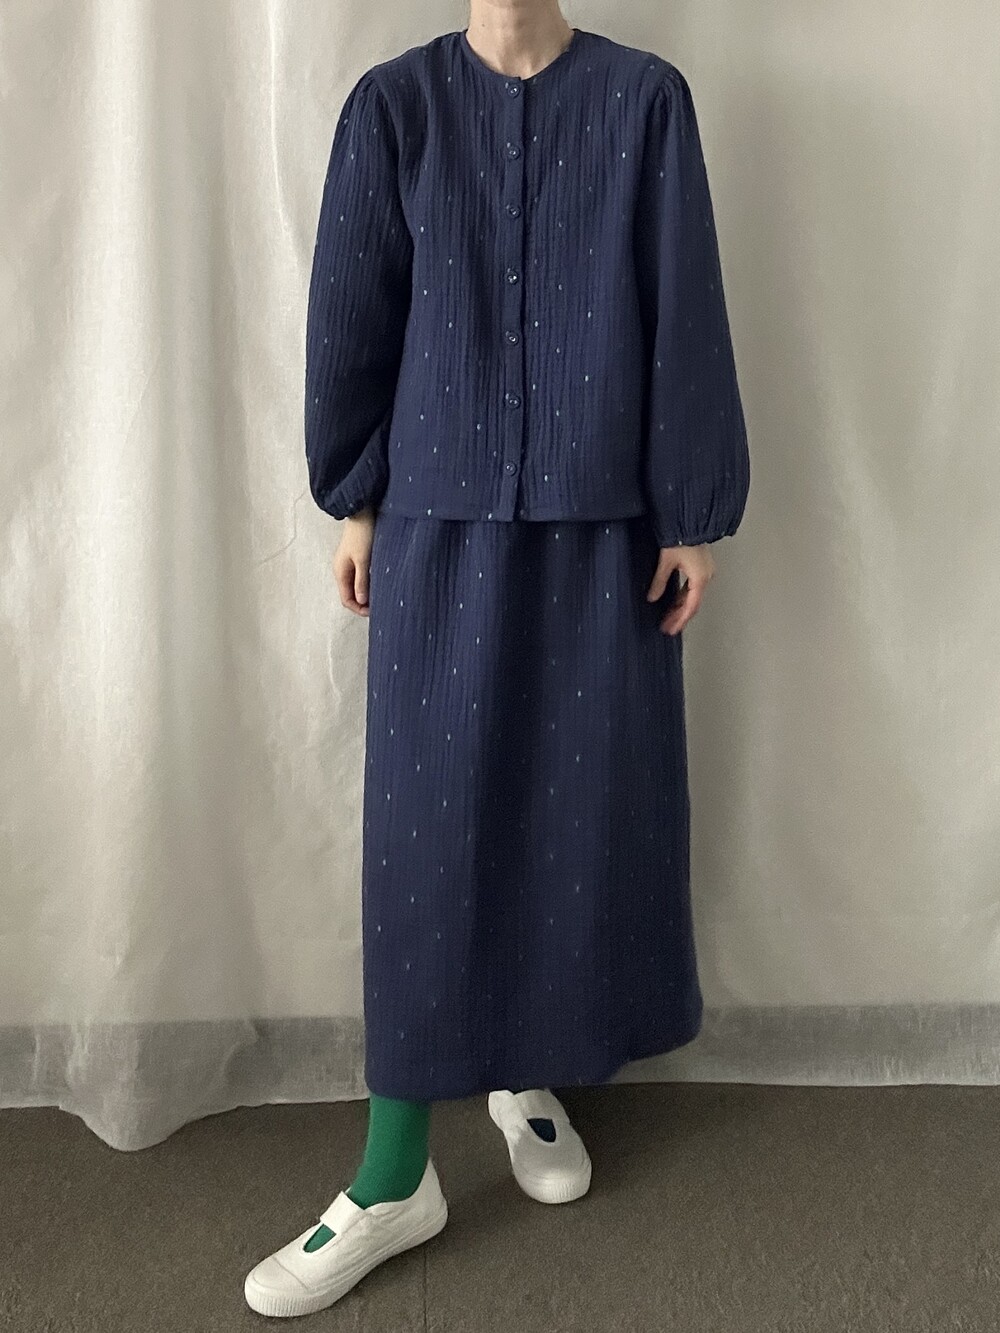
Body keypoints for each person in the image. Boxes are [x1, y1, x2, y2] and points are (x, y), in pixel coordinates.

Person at [245, 1, 750, 1317]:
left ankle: (523, 1067)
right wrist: (357, 499)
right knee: (428, 831)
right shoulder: (394, 108)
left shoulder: (644, 103)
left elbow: (683, 299)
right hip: (439, 523)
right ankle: (394, 1169)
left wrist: (693, 510)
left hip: (601, 525)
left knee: (576, 813)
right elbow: (355, 308)